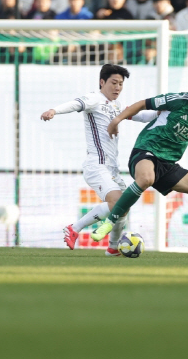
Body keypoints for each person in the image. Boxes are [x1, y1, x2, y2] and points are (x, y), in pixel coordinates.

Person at [90, 71, 188, 258]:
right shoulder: (179, 100)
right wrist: (118, 120)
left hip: (167, 163)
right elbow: (143, 104)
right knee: (146, 178)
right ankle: (110, 222)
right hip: (145, 151)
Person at [40, 65, 157, 255]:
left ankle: (112, 247)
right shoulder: (95, 99)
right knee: (117, 202)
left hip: (111, 169)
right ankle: (74, 228)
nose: (117, 87)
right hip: (96, 165)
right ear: (102, 82)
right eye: (113, 83)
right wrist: (54, 110)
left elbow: (141, 116)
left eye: (120, 84)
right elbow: (75, 104)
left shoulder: (116, 106)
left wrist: (161, 111)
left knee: (123, 207)